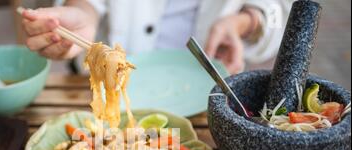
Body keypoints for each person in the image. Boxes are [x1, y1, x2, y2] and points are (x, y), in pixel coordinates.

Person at [21, 0, 292, 74]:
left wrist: (247, 21)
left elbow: (283, 10)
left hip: (206, 84)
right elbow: (88, 4)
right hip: (111, 80)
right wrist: (81, 14)